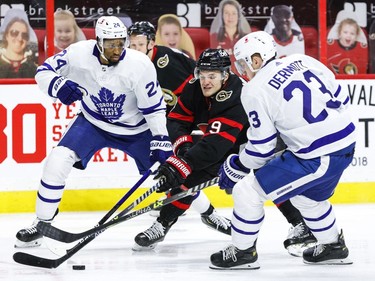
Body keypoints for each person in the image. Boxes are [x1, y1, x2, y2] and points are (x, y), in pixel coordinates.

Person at [14, 16, 173, 248]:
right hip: (93, 123)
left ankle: (207, 212)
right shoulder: (77, 54)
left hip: (137, 130)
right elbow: (44, 71)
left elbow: (154, 107)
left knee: (172, 171)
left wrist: (160, 138)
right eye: (111, 44)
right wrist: (57, 85)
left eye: (121, 43)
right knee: (57, 161)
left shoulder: (139, 65)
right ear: (98, 41)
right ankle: (42, 222)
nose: (118, 49)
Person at [209, 31, 356, 269]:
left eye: (243, 64)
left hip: (316, 156)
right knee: (306, 197)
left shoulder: (254, 89)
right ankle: (333, 247)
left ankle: (242, 252)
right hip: (346, 142)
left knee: (247, 191)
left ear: (256, 60)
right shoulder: (301, 59)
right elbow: (340, 98)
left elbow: (261, 149)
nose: (242, 71)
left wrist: (237, 165)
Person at [128, 21, 232, 235]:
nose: (134, 50)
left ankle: (206, 214)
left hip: (184, 121)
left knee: (183, 170)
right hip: (164, 124)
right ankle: (208, 214)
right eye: (132, 45)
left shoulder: (167, 62)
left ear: (150, 43)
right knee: (178, 172)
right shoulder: (130, 65)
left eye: (139, 45)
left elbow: (196, 92)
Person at [209, 0, 251, 73]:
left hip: (244, 78)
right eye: (226, 13)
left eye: (234, 13)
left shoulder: (246, 38)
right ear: (222, 15)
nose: (230, 16)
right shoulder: (214, 37)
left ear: (238, 16)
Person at [0, 8, 38, 78]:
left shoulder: (34, 70)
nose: (20, 38)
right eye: (14, 33)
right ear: (6, 35)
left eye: (24, 35)